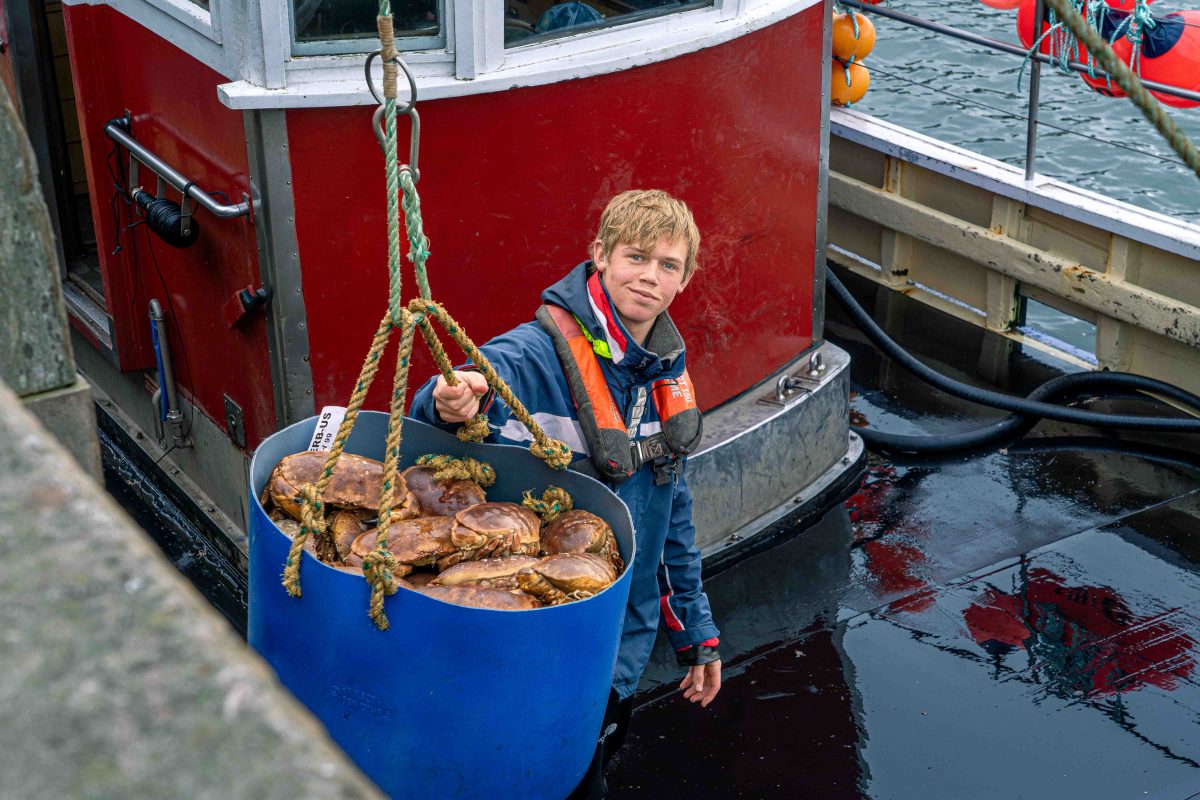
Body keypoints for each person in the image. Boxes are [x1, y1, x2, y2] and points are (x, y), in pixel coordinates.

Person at [409, 189, 722, 798]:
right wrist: (454, 399)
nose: (650, 278)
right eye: (636, 257)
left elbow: (670, 518)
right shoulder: (535, 356)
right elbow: (473, 386)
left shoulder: (664, 377)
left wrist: (696, 635)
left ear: (685, 279)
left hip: (616, 650)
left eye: (669, 265)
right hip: (528, 643)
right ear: (599, 255)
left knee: (587, 773)